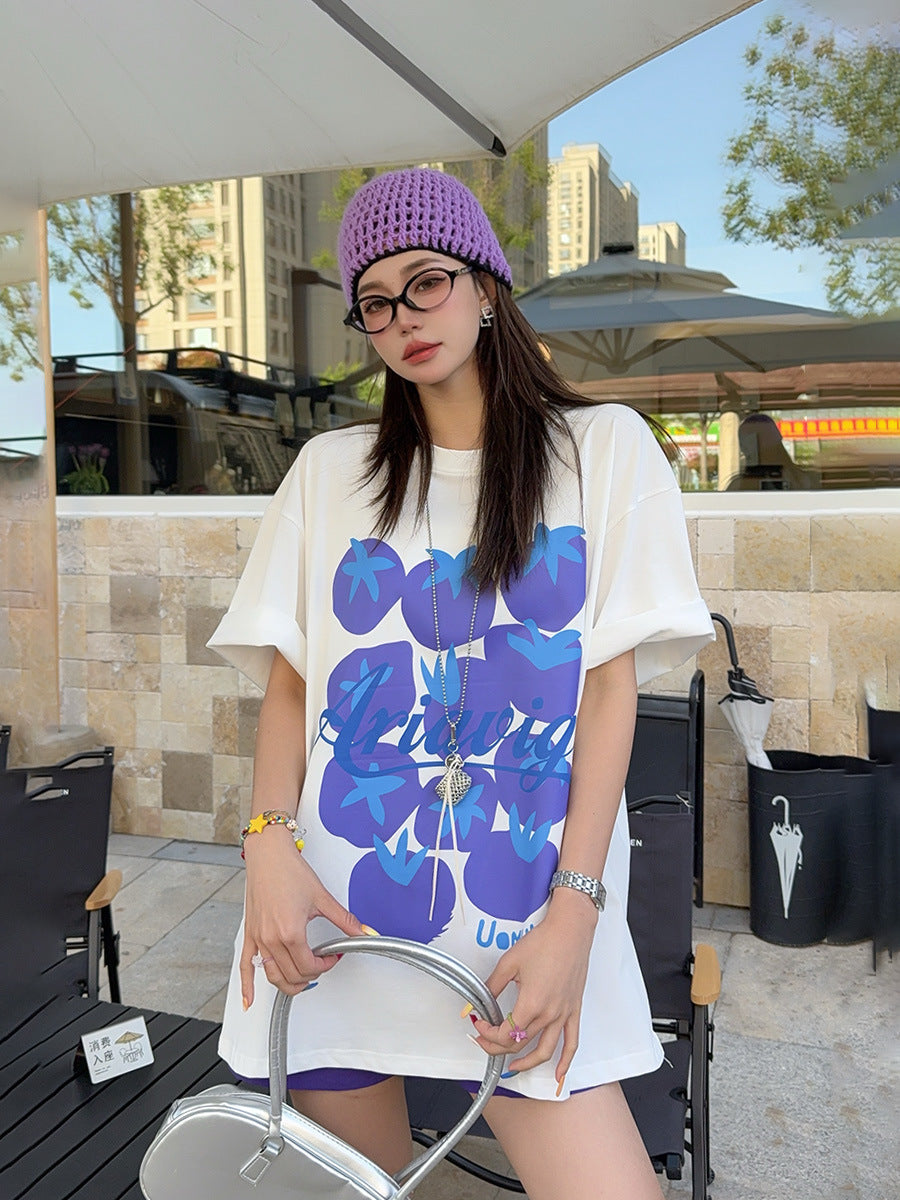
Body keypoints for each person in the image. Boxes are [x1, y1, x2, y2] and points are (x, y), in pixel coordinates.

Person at [208, 167, 714, 1200]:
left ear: (486, 286)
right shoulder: (331, 473)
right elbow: (294, 687)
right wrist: (266, 847)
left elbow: (605, 695)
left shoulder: (604, 451)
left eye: (426, 281)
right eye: (375, 300)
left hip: (526, 930)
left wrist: (576, 914)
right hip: (338, 933)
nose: (402, 316)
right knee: (371, 1189)